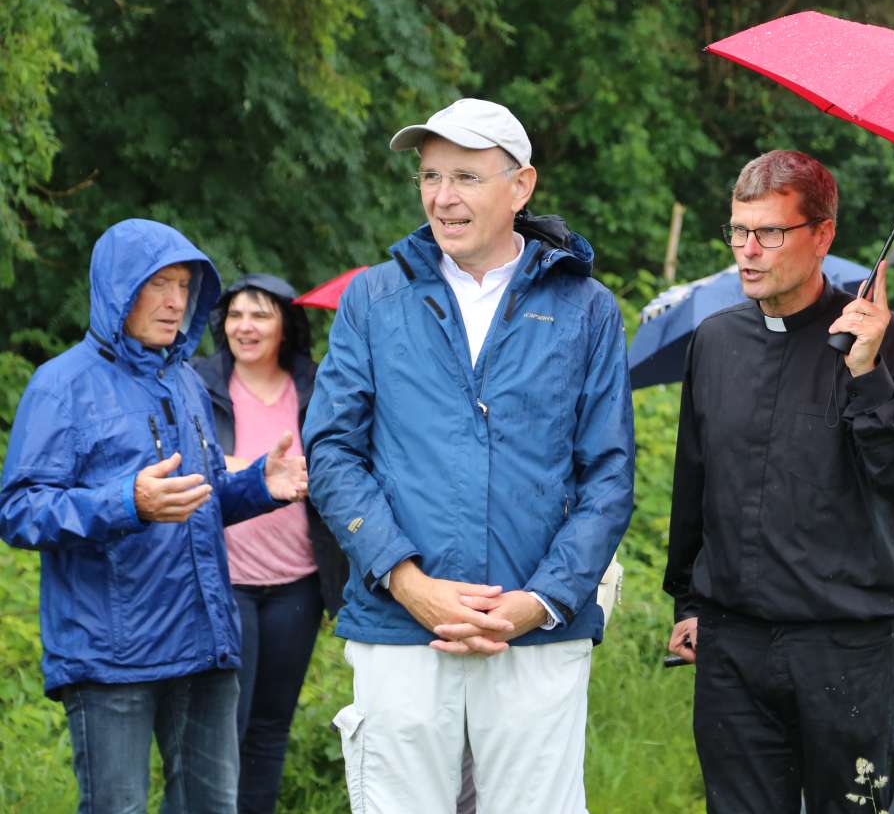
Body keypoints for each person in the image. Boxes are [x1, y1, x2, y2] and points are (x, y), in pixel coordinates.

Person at [304, 98, 634, 813]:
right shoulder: (374, 299)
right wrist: (405, 579)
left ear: (521, 187)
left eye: (466, 177)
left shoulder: (586, 310)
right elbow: (332, 449)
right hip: (400, 627)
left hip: (535, 635)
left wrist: (538, 601)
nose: (442, 199)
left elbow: (608, 475)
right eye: (429, 176)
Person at [0, 219, 308, 813]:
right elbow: (19, 510)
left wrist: (256, 487)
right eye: (158, 284)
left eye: (186, 287)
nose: (175, 302)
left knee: (213, 807)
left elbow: (200, 497)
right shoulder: (61, 387)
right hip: (112, 653)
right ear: (119, 288)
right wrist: (125, 503)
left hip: (204, 642)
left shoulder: (186, 382)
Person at [663, 150, 894, 814]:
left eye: (769, 233)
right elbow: (695, 479)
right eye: (737, 230)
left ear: (821, 235)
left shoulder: (885, 342)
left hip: (842, 648)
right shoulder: (715, 340)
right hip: (732, 647)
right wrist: (687, 602)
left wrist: (866, 372)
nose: (747, 251)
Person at [194, 274, 347, 812]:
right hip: (225, 581)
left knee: (269, 727)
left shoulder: (316, 385)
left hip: (298, 585)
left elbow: (343, 459)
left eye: (260, 314)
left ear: (285, 324)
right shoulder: (200, 383)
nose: (245, 326)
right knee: (223, 727)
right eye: (235, 315)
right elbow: (188, 462)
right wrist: (244, 468)